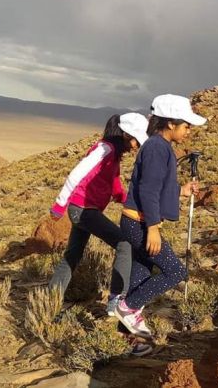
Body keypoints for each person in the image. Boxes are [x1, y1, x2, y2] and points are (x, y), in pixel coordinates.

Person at [114, 94, 205, 338]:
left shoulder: (159, 147)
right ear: (170, 123)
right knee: (175, 271)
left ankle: (128, 333)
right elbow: (148, 190)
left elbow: (158, 187)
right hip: (140, 223)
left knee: (141, 274)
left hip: (137, 221)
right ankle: (127, 308)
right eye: (186, 126)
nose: (188, 131)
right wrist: (153, 227)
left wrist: (181, 191)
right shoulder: (157, 148)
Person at [48, 112, 148, 315]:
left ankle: (50, 300)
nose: (136, 146)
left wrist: (133, 202)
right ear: (127, 135)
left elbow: (115, 187)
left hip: (84, 209)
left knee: (72, 255)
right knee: (124, 244)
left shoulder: (113, 156)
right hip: (83, 209)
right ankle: (117, 300)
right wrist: (59, 205)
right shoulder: (105, 149)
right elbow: (76, 174)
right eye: (137, 141)